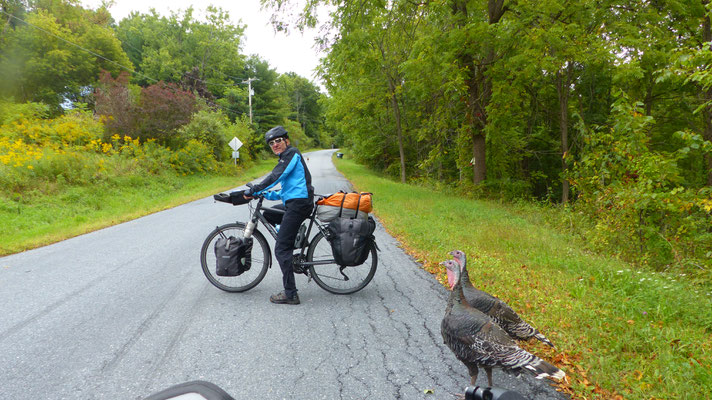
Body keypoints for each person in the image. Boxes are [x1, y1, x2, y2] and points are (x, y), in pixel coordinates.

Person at [243, 126, 314, 305]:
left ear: (286, 141)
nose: (275, 144)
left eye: (278, 141)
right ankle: (293, 236)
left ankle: (291, 294)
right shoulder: (286, 157)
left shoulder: (292, 154)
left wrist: (255, 189)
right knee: (270, 213)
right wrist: (265, 195)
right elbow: (287, 190)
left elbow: (275, 176)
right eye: (272, 143)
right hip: (295, 201)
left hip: (299, 204)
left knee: (281, 249)